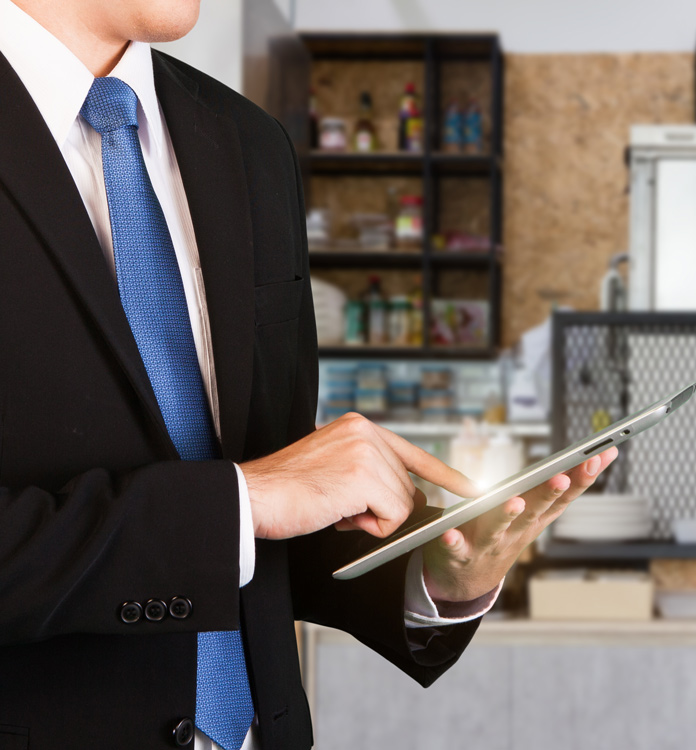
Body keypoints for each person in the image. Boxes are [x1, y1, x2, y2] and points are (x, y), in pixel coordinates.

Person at [0, 1, 617, 748]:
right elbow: (247, 501)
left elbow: (268, 501)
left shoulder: (248, 143)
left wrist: (434, 575)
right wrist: (246, 499)